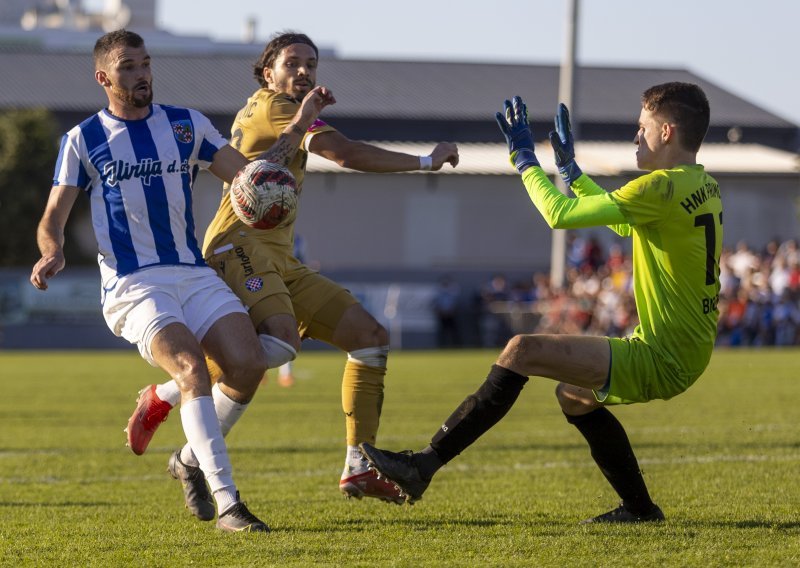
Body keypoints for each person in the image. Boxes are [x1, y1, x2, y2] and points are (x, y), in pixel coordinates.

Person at [124, 31, 460, 505]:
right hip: (237, 244)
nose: (304, 72)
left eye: (312, 64)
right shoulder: (276, 106)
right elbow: (346, 153)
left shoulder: (278, 108)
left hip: (277, 255)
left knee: (369, 337)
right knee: (281, 343)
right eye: (292, 63)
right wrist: (427, 159)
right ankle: (171, 397)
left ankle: (357, 466)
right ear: (269, 73)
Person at [361, 82, 721, 524]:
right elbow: (629, 228)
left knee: (521, 351)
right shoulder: (699, 184)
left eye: (641, 127)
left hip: (665, 354)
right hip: (685, 347)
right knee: (573, 396)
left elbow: (559, 215)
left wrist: (525, 161)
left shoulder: (658, 188)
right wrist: (570, 171)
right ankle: (640, 509)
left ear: (666, 132)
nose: (635, 137)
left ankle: (422, 467)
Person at [30, 29, 333, 532]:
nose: (142, 73)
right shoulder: (82, 139)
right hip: (134, 285)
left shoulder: (186, 125)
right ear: (104, 77)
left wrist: (299, 124)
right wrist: (52, 250)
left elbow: (248, 176)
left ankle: (173, 424)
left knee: (255, 361)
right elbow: (52, 217)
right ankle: (230, 505)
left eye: (145, 63)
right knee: (193, 367)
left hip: (192, 273)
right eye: (128, 66)